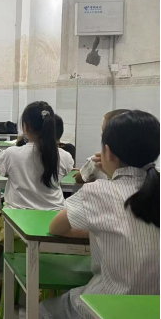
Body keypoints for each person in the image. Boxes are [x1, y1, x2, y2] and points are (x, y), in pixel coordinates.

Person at [44, 111, 160, 319]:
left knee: (43, 309)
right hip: (154, 309)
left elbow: (56, 227)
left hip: (107, 305)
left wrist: (97, 230)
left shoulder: (99, 191)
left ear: (108, 152)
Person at [0, 102, 74, 298]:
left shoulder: (11, 154)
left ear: (25, 127)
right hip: (55, 224)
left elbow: (2, 172)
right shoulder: (64, 156)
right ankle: (46, 288)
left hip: (17, 225)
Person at [74, 109, 130, 184]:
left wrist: (86, 170)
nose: (101, 135)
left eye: (104, 131)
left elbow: (79, 179)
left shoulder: (97, 160)